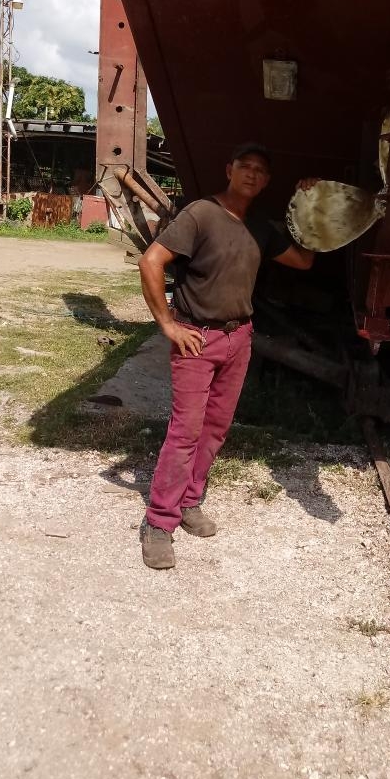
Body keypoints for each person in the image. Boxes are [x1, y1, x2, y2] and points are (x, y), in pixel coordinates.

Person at [137, 142, 318, 569]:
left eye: (260, 170)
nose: (252, 174)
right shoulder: (201, 214)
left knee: (215, 429)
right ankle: (159, 522)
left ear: (267, 181)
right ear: (229, 170)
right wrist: (168, 326)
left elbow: (305, 260)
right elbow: (150, 262)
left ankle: (189, 501)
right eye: (245, 166)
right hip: (196, 339)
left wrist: (310, 206)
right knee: (186, 431)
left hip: (239, 338)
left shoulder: (260, 227)